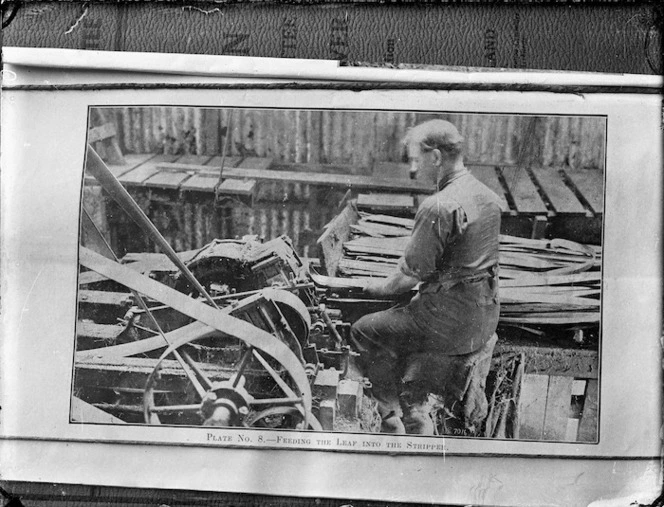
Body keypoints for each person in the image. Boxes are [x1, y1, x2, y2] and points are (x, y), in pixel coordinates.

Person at [350, 119, 502, 435]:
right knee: (403, 315)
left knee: (364, 329)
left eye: (417, 160)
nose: (414, 170)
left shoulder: (438, 205)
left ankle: (394, 416)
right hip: (483, 315)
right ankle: (415, 405)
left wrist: (373, 286)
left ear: (435, 158)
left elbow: (407, 278)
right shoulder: (487, 196)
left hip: (448, 324)